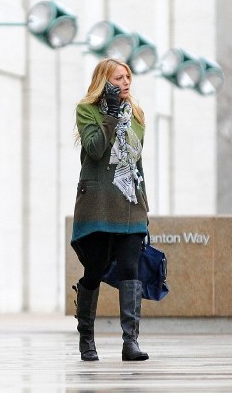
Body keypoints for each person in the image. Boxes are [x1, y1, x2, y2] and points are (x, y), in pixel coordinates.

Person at [70, 58, 150, 362]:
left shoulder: (137, 114)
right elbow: (94, 149)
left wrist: (145, 206)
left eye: (128, 76)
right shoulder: (86, 110)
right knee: (95, 268)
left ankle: (131, 342)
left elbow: (137, 163)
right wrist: (111, 115)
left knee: (130, 268)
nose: (126, 82)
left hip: (130, 202)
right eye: (119, 78)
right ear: (104, 81)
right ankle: (86, 338)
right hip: (98, 204)